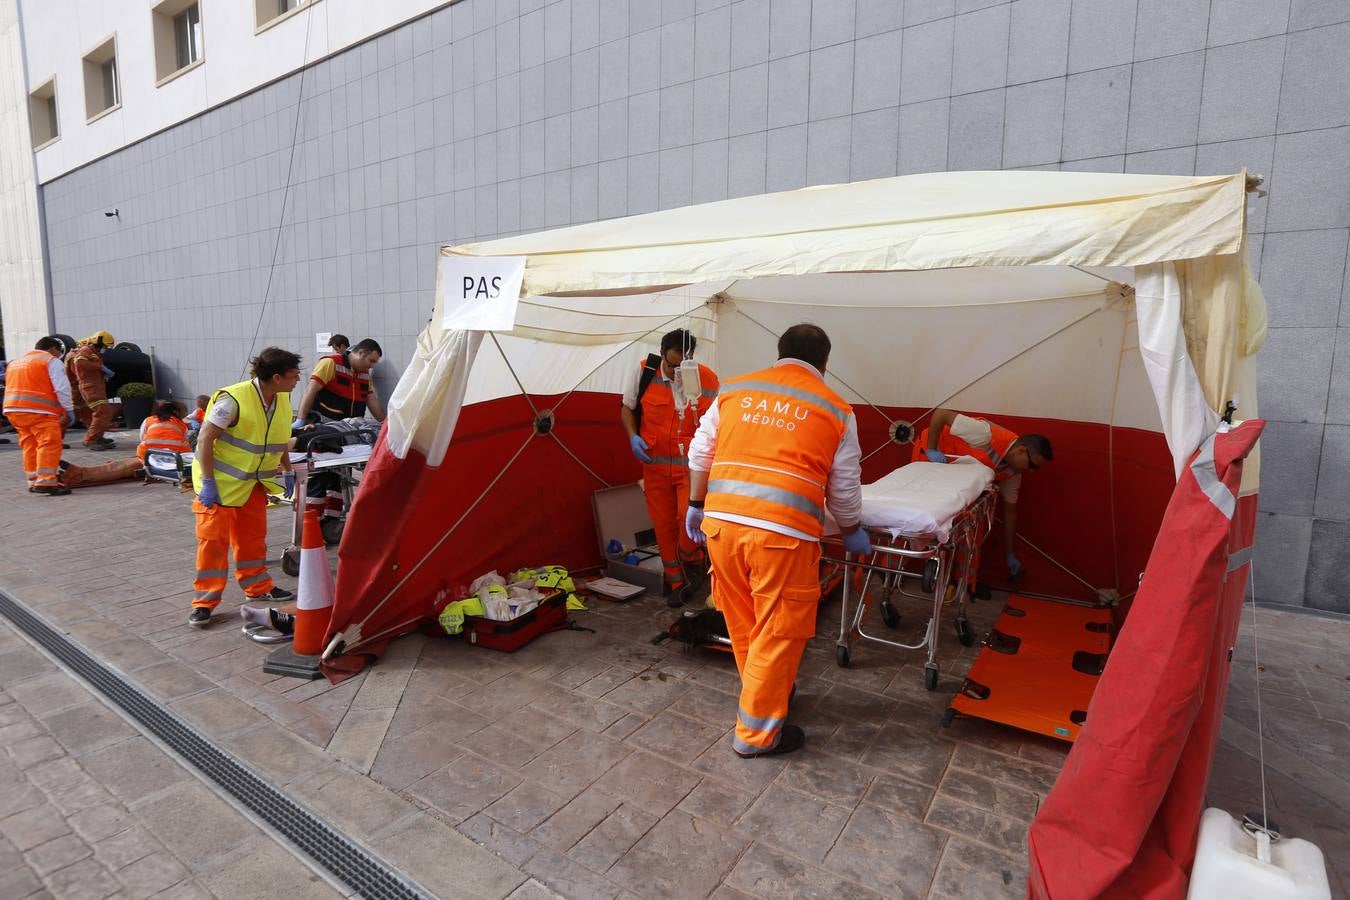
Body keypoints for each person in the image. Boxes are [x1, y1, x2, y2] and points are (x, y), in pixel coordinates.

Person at [685, 324, 870, 758]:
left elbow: (700, 452)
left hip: (721, 527)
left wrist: (695, 504)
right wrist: (851, 529)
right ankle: (756, 736)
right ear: (825, 362)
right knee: (778, 631)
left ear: (779, 353)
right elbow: (844, 489)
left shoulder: (735, 390)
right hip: (782, 536)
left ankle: (769, 698)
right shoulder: (837, 410)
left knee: (745, 623)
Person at [189, 348, 300, 627]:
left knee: (252, 539)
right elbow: (204, 440)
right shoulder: (232, 400)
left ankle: (258, 587)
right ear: (276, 377)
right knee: (213, 543)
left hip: (252, 485)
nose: (298, 380)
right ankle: (205, 601)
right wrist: (209, 482)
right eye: (294, 375)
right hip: (220, 486)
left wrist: (287, 469)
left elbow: (279, 439)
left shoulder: (282, 399)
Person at [619, 328, 719, 606]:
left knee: (686, 520)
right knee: (663, 526)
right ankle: (677, 581)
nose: (676, 371)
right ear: (662, 354)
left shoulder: (706, 380)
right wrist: (633, 437)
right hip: (654, 467)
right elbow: (626, 408)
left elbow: (716, 425)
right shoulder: (645, 372)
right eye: (672, 364)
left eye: (683, 364)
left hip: (691, 469)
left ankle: (694, 559)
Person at [913, 408, 1053, 580]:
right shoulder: (986, 434)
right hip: (932, 455)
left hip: (958, 477)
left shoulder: (1013, 473)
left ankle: (964, 583)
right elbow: (941, 414)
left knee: (972, 526)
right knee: (919, 519)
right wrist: (932, 449)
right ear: (1021, 451)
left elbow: (1010, 513)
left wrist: (1009, 554)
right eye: (1032, 465)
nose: (1031, 471)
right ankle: (888, 567)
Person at [2, 336, 76, 496]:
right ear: (53, 349)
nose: (58, 356)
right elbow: (62, 388)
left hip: (14, 410)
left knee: (29, 444)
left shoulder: (15, 363)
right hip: (39, 411)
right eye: (58, 352)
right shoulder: (50, 361)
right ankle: (46, 481)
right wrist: (69, 410)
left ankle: (33, 480)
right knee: (49, 443)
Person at [292, 337, 385, 426]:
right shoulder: (331, 363)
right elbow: (310, 390)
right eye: (371, 361)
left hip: (350, 428)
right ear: (361, 353)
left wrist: (384, 423)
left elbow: (371, 399)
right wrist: (301, 419)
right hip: (325, 424)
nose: (372, 366)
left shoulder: (365, 374)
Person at [66, 331, 118, 450]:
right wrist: (100, 367)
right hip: (90, 388)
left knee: (99, 414)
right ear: (98, 342)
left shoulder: (92, 352)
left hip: (95, 387)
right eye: (105, 346)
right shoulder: (85, 350)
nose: (105, 349)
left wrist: (102, 373)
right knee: (103, 413)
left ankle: (97, 437)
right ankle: (90, 440)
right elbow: (79, 362)